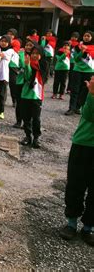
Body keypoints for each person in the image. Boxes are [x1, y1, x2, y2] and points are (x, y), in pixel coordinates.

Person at [59, 76, 94, 246]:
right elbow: (87, 114)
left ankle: (88, 227)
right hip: (83, 144)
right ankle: (71, 222)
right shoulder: (92, 83)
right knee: (75, 184)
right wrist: (91, 93)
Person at [20, 42, 48, 149]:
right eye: (33, 53)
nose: (35, 55)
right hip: (25, 94)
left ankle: (36, 137)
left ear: (41, 55)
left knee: (36, 118)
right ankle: (28, 136)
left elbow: (43, 78)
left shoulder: (43, 65)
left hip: (36, 95)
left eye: (37, 53)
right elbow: (27, 77)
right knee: (26, 117)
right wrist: (27, 65)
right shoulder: (27, 63)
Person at [65, 31, 94, 115]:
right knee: (74, 90)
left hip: (89, 71)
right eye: (85, 36)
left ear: (92, 37)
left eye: (88, 36)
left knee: (84, 91)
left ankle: (78, 107)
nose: (86, 37)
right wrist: (82, 51)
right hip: (77, 70)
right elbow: (76, 59)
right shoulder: (78, 47)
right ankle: (71, 108)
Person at [0, 34, 17, 119]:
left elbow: (6, 56)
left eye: (5, 41)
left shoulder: (10, 51)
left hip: (3, 76)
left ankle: (0, 111)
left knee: (2, 95)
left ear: (9, 43)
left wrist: (0, 56)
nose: (3, 43)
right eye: (2, 41)